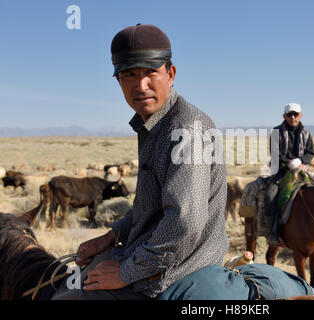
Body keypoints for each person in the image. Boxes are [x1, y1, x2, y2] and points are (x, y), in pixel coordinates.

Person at [52, 24, 229, 299]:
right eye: (129, 75)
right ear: (118, 81)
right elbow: (152, 205)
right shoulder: (153, 125)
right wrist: (111, 236)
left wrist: (125, 272)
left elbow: (185, 224)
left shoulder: (186, 129)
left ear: (170, 74)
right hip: (153, 258)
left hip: (175, 271)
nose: (141, 85)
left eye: (150, 73)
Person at [265, 103, 314, 246]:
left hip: (301, 171)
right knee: (270, 196)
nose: (292, 117)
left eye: (295, 114)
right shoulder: (277, 132)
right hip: (280, 171)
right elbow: (274, 153)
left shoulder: (306, 133)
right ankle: (272, 232)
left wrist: (302, 161)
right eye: (289, 115)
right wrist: (288, 162)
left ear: (300, 115)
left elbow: (310, 152)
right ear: (284, 116)